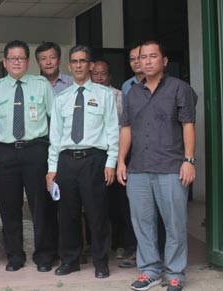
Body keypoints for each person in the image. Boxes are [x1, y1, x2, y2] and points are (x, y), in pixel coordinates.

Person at [117, 40, 197, 291]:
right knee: (142, 222)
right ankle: (150, 270)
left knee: (174, 223)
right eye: (143, 57)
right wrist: (121, 161)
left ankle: (175, 272)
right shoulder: (132, 92)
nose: (147, 61)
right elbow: (126, 128)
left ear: (164, 62)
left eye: (153, 56)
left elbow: (188, 125)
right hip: (138, 167)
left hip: (171, 166)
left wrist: (189, 160)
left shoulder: (179, 88)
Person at [46, 45, 119, 279]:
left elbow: (112, 132)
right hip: (67, 161)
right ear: (69, 66)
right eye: (74, 61)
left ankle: (100, 261)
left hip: (94, 160)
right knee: (67, 214)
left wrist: (111, 162)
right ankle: (70, 260)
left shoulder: (105, 95)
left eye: (82, 61)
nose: (78, 65)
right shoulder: (61, 98)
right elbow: (55, 136)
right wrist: (52, 168)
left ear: (90, 65)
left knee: (97, 214)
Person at [0, 40, 57, 273]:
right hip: (5, 152)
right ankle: (15, 255)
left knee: (41, 206)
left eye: (21, 58)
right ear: (5, 62)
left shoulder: (41, 85)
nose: (17, 62)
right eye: (12, 58)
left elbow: (54, 121)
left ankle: (44, 255)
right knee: (9, 207)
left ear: (28, 62)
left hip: (36, 150)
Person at [90, 59, 137, 268]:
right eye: (96, 74)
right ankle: (95, 244)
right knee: (96, 203)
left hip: (118, 156)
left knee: (120, 204)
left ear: (109, 76)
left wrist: (119, 159)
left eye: (103, 74)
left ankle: (122, 243)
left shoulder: (119, 96)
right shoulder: (85, 94)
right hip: (95, 156)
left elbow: (125, 128)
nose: (99, 77)